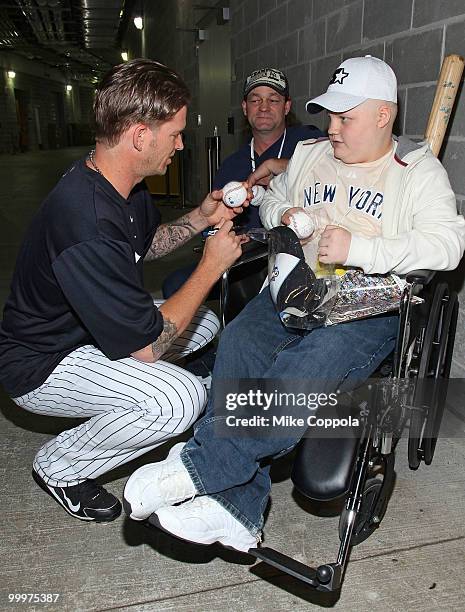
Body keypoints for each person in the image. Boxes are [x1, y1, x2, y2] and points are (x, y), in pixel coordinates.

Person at [122, 56, 465, 551]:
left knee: (299, 369)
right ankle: (235, 511)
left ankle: (203, 464)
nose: (333, 128)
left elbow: (448, 245)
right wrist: (290, 214)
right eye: (330, 116)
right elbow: (270, 199)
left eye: (346, 118)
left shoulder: (416, 171)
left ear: (383, 116)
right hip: (296, 288)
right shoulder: (310, 153)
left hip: (366, 306)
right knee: (238, 341)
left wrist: (361, 250)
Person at [0, 59, 249, 523]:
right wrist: (211, 266)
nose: (180, 144)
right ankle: (60, 466)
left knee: (205, 323)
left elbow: (144, 246)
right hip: (42, 362)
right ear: (139, 136)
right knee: (178, 401)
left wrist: (199, 217)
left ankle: (136, 394)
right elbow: (148, 347)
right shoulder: (86, 219)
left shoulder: (122, 185)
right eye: (174, 134)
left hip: (85, 329)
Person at [161, 67, 323, 298]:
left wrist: (285, 166)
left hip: (301, 258)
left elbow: (342, 169)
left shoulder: (309, 142)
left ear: (286, 107)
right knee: (175, 285)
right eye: (255, 100)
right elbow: (215, 227)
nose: (264, 107)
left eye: (273, 100)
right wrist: (229, 234)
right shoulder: (232, 165)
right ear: (245, 108)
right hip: (247, 259)